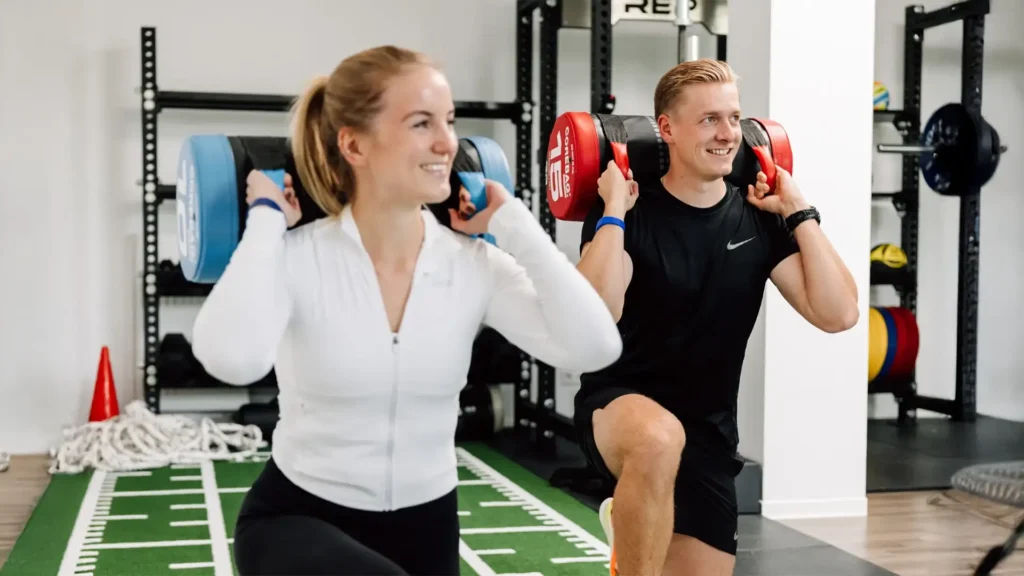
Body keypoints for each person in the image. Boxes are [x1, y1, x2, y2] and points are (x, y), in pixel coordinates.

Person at [190, 45, 623, 576]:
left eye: (449, 121)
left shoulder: (474, 264)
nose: (447, 143)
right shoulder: (296, 257)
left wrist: (512, 222)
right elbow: (231, 359)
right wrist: (264, 220)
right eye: (421, 123)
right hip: (298, 520)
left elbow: (595, 347)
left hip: (426, 529)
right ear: (354, 144)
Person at [573, 58, 859, 576]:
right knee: (659, 438)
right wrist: (613, 209)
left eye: (734, 118)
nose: (728, 134)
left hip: (709, 434)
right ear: (667, 129)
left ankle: (634, 524)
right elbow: (595, 312)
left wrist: (798, 210)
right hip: (619, 408)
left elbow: (838, 314)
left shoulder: (758, 218)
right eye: (709, 120)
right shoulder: (631, 212)